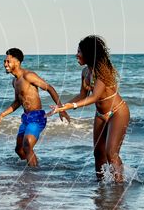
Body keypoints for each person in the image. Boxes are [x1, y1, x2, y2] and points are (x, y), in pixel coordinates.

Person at [49, 35, 130, 182]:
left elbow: (94, 97)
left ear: (88, 53)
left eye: (79, 51)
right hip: (100, 114)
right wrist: (62, 107)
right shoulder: (85, 72)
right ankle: (101, 186)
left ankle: (119, 187)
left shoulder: (102, 71)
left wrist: (72, 106)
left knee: (111, 153)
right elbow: (82, 95)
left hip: (117, 112)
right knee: (98, 153)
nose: (76, 55)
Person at [0, 48, 70, 166]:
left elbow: (49, 88)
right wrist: (2, 115)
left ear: (17, 62)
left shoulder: (28, 76)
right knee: (19, 149)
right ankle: (31, 166)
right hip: (26, 118)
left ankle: (34, 174)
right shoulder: (15, 81)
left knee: (27, 146)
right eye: (4, 62)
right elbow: (17, 102)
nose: (5, 64)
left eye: (8, 61)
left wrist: (61, 109)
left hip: (37, 117)